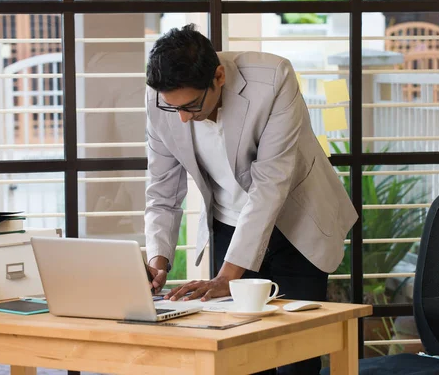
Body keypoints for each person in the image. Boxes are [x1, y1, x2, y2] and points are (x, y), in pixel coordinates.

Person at [144, 24, 357, 375]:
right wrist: (158, 262)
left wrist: (226, 277)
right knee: (240, 355)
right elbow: (162, 190)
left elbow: (271, 184)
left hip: (297, 225)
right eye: (173, 108)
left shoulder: (273, 78)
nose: (182, 118)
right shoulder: (163, 100)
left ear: (219, 76)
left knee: (296, 357)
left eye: (192, 105)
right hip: (230, 227)